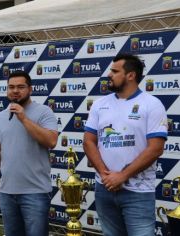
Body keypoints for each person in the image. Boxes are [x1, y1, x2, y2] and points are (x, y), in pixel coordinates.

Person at [83, 54, 168, 236]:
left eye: (115, 71)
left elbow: (156, 148)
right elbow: (89, 141)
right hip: (104, 187)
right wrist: (106, 174)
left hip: (138, 192)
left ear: (131, 75)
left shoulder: (152, 104)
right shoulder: (99, 104)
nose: (109, 74)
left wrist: (122, 176)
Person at [0, 71, 58, 236]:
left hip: (35, 192)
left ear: (30, 89)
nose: (15, 91)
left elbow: (52, 141)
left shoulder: (44, 112)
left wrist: (23, 118)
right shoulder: (0, 117)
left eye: (21, 87)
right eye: (11, 87)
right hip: (7, 193)